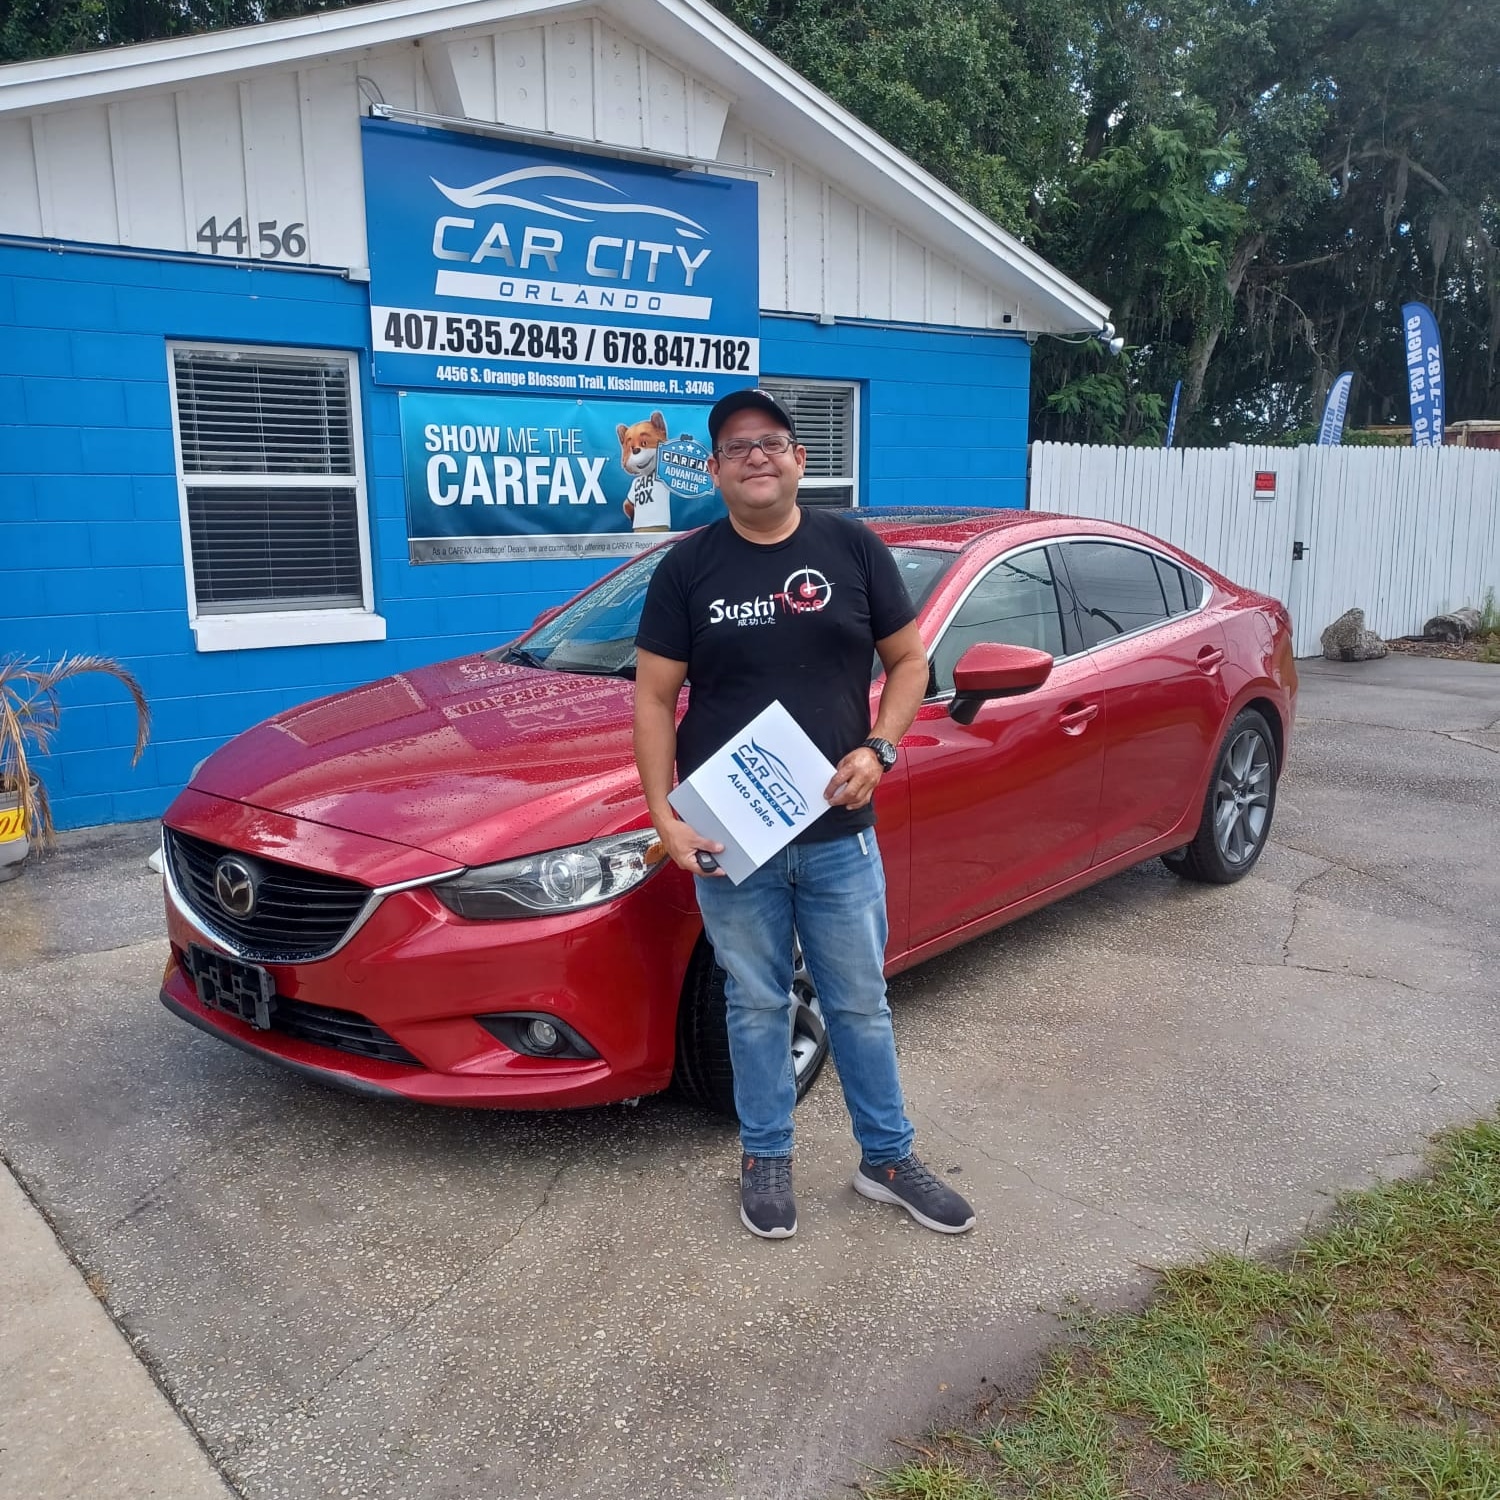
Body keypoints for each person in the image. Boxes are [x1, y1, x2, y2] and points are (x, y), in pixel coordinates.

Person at [633, 388, 976, 1240]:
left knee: (859, 1003)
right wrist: (665, 819)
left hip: (837, 836)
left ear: (799, 460)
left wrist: (879, 749)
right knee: (755, 1004)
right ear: (715, 470)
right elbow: (653, 699)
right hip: (732, 835)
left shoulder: (852, 549)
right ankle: (766, 1155)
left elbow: (910, 663)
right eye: (736, 446)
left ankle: (886, 1159)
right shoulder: (687, 569)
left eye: (772, 442)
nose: (756, 456)